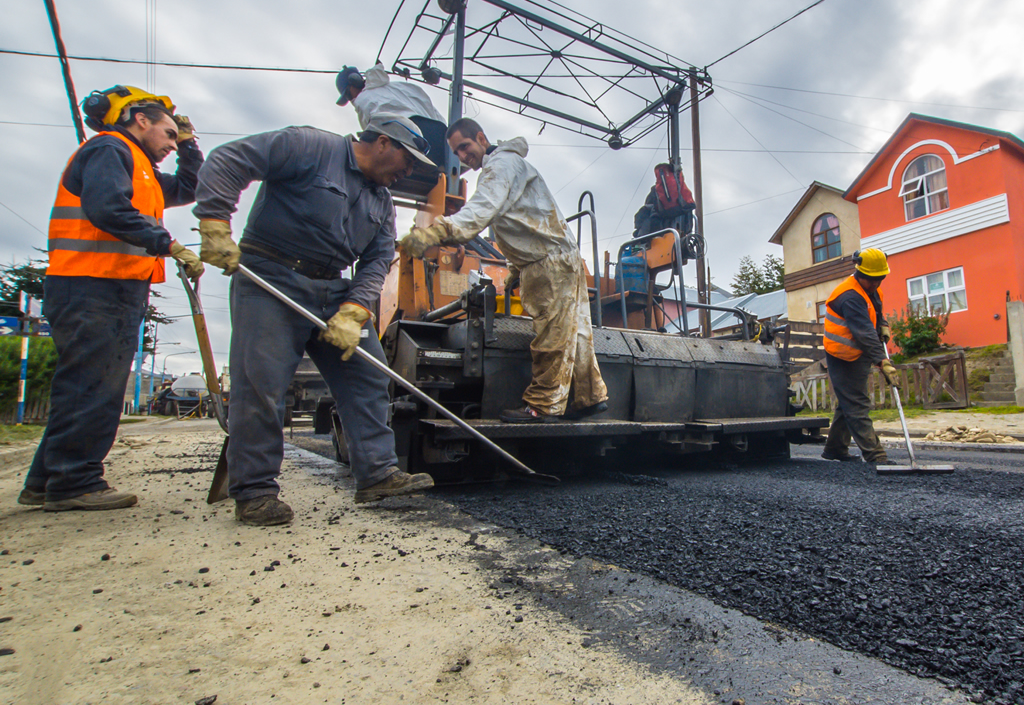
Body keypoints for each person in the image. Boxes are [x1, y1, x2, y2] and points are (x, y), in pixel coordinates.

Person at [194, 112, 438, 526]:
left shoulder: (381, 201)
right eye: (407, 161)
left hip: (332, 290)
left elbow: (378, 259)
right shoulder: (310, 146)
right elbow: (229, 159)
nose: (408, 172)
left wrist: (355, 309)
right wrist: (215, 221)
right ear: (383, 143)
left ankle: (377, 474)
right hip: (270, 278)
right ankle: (255, 492)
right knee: (261, 385)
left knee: (369, 375)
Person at [20, 86, 204, 511]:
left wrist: (190, 146)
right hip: (91, 284)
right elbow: (106, 208)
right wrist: (166, 242)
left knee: (85, 384)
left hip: (107, 285)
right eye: (168, 133)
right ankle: (74, 483)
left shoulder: (138, 166)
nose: (170, 142)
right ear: (141, 119)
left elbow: (188, 189)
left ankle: (44, 481)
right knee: (93, 386)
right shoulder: (109, 150)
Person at [397, 117, 608, 423]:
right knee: (575, 332)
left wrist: (436, 231)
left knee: (552, 333)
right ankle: (590, 396)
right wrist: (515, 269)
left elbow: (482, 209)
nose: (462, 156)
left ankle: (544, 404)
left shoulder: (499, 166)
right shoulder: (509, 166)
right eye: (457, 151)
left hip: (547, 262)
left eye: (465, 146)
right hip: (557, 258)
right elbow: (519, 222)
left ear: (482, 138)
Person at [820, 248, 899, 465]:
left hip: (859, 352)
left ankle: (835, 448)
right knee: (856, 403)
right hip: (842, 355)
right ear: (860, 274)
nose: (876, 284)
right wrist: (884, 362)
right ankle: (876, 456)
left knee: (848, 401)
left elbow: (876, 313)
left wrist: (883, 325)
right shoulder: (849, 296)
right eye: (872, 280)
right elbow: (863, 332)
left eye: (880, 280)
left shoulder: (873, 290)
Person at [336, 63, 447, 169]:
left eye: (348, 94)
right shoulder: (402, 86)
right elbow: (438, 116)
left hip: (410, 141)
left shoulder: (363, 99)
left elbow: (372, 137)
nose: (351, 100)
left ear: (355, 82)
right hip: (442, 141)